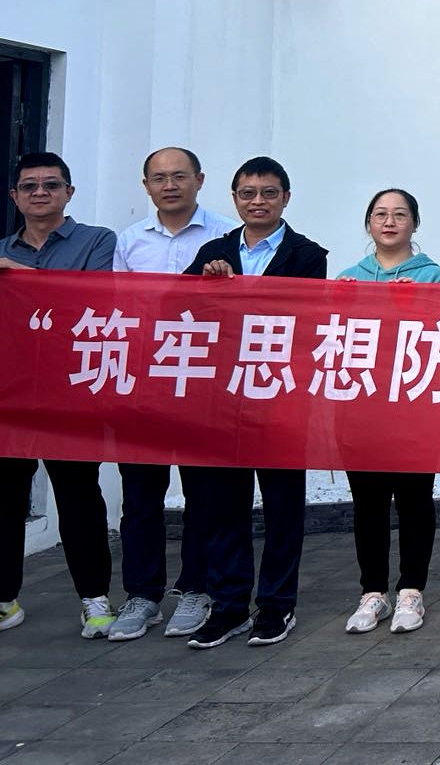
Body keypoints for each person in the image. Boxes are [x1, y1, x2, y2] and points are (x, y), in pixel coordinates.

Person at [183, 156, 328, 648]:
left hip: (281, 397)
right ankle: (228, 606)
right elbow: (181, 309)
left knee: (283, 506)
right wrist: (207, 283)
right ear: (234, 199)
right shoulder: (213, 252)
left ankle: (276, 605)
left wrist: (238, 295)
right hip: (222, 398)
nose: (258, 202)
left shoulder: (307, 255)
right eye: (248, 193)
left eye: (268, 193)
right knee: (223, 506)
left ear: (286, 198)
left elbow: (303, 320)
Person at [107, 146, 238, 642]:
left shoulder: (227, 235)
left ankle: (196, 588)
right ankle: (142, 594)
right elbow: (116, 309)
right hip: (144, 380)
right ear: (146, 186)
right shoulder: (129, 241)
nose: (169, 185)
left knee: (204, 491)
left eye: (179, 176)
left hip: (203, 379)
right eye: (159, 178)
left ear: (199, 180)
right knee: (141, 492)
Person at [0, 152, 118, 637]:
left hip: (72, 389)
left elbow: (94, 302)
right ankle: (5, 599)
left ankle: (94, 598)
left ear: (69, 192)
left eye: (51, 184)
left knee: (78, 494)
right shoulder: (2, 248)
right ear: (15, 196)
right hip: (11, 394)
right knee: (5, 496)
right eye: (29, 186)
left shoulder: (97, 241)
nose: (40, 193)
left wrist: (20, 278)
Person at [336, 188, 440, 634]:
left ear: (414, 224)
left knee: (414, 499)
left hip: (414, 407)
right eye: (380, 214)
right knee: (368, 502)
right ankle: (372, 592)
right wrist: (340, 304)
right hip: (361, 407)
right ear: (369, 223)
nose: (389, 222)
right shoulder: (349, 278)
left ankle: (411, 591)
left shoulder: (433, 276)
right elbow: (332, 341)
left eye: (400, 214)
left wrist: (416, 308)